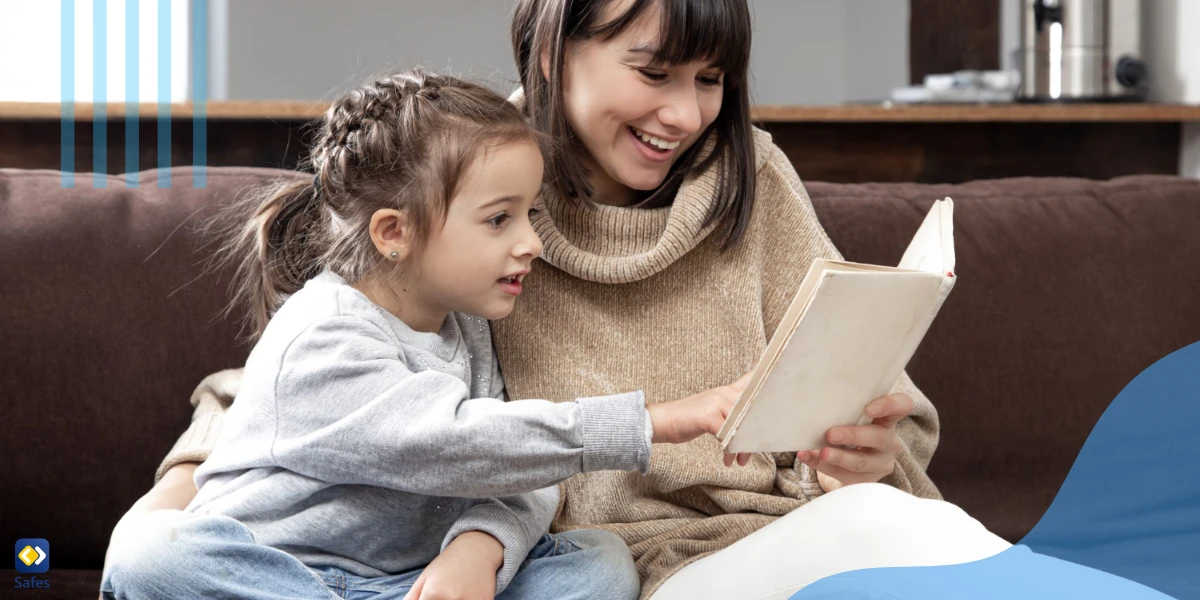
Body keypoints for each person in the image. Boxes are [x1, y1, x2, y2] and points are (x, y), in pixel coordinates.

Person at [111, 1, 1015, 599]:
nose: (688, 116)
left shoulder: (756, 178)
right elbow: (310, 380)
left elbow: (884, 406)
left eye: (711, 81)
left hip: (778, 533)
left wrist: (858, 451)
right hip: (661, 576)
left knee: (904, 527)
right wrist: (174, 502)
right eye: (653, 73)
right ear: (554, 47)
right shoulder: (464, 176)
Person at [100, 69, 754, 600]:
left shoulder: (468, 327)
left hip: (406, 585)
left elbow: (520, 473)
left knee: (601, 563)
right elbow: (450, 442)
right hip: (278, 578)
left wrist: (482, 549)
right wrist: (649, 422)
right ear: (394, 233)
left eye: (529, 213)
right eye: (500, 220)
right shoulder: (321, 333)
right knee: (154, 554)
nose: (531, 242)